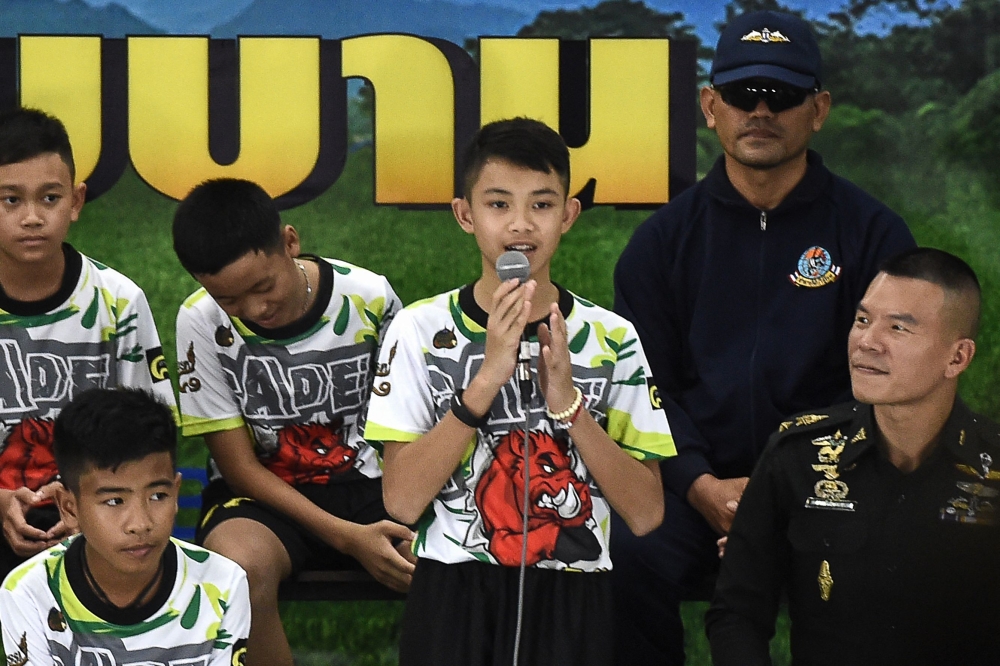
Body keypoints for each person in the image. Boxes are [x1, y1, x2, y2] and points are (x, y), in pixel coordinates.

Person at [610, 10, 919, 665]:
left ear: (819, 109)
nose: (760, 110)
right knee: (623, 552)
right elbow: (645, 389)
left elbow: (889, 386)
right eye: (742, 95)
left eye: (781, 95)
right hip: (694, 490)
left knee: (894, 559)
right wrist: (701, 486)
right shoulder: (659, 247)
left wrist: (787, 493)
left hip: (832, 484)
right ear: (709, 106)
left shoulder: (874, 236)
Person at [364, 117, 675, 665]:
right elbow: (402, 500)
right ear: (465, 214)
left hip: (574, 593)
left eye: (542, 204)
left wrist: (570, 408)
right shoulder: (417, 329)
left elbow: (647, 513)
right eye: (499, 204)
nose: (521, 225)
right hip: (455, 590)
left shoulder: (613, 339)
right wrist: (485, 381)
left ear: (569, 215)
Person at [707, 247, 999, 665]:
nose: (867, 341)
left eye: (898, 328)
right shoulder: (798, 456)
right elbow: (738, 613)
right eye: (863, 320)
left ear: (958, 357)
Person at [172, 178, 410, 666]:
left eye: (263, 287)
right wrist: (345, 535)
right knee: (237, 567)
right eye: (230, 300)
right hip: (261, 496)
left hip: (372, 485)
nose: (254, 309)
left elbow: (404, 430)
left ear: (290, 242)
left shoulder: (370, 297)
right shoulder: (199, 320)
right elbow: (238, 467)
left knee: (458, 551)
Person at [0, 108, 176, 580]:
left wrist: (88, 507)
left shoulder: (118, 302)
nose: (32, 217)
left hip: (96, 514)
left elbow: (152, 434)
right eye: (10, 200)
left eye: (50, 198)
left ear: (76, 201)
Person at [0, 387, 250, 666]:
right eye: (114, 501)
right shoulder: (29, 591)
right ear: (69, 508)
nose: (140, 523)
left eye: (158, 496)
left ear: (176, 493)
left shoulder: (224, 584)